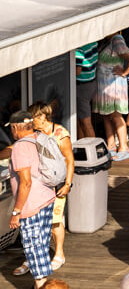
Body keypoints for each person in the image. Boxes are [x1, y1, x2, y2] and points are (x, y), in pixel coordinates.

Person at [6, 109, 57, 287]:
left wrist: (16, 212)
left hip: (31, 204)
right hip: (47, 197)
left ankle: (41, 284)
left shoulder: (20, 147)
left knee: (33, 247)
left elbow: (26, 183)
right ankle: (41, 284)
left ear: (15, 127)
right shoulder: (39, 138)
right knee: (41, 243)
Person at [29, 103, 72, 272]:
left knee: (55, 219)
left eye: (32, 117)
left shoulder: (60, 133)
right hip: (40, 182)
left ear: (42, 117)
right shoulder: (34, 133)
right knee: (39, 220)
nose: (30, 121)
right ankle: (37, 254)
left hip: (57, 183)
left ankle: (59, 253)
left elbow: (70, 160)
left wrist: (67, 184)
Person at [95, 32, 129, 162]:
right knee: (106, 115)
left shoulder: (117, 40)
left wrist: (125, 72)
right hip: (105, 86)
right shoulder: (106, 41)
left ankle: (124, 147)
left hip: (113, 86)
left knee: (115, 115)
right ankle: (111, 145)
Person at [73, 41, 100, 141]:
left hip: (82, 87)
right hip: (91, 82)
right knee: (79, 119)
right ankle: (81, 145)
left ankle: (93, 147)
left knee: (85, 122)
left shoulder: (79, 49)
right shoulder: (92, 42)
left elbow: (77, 71)